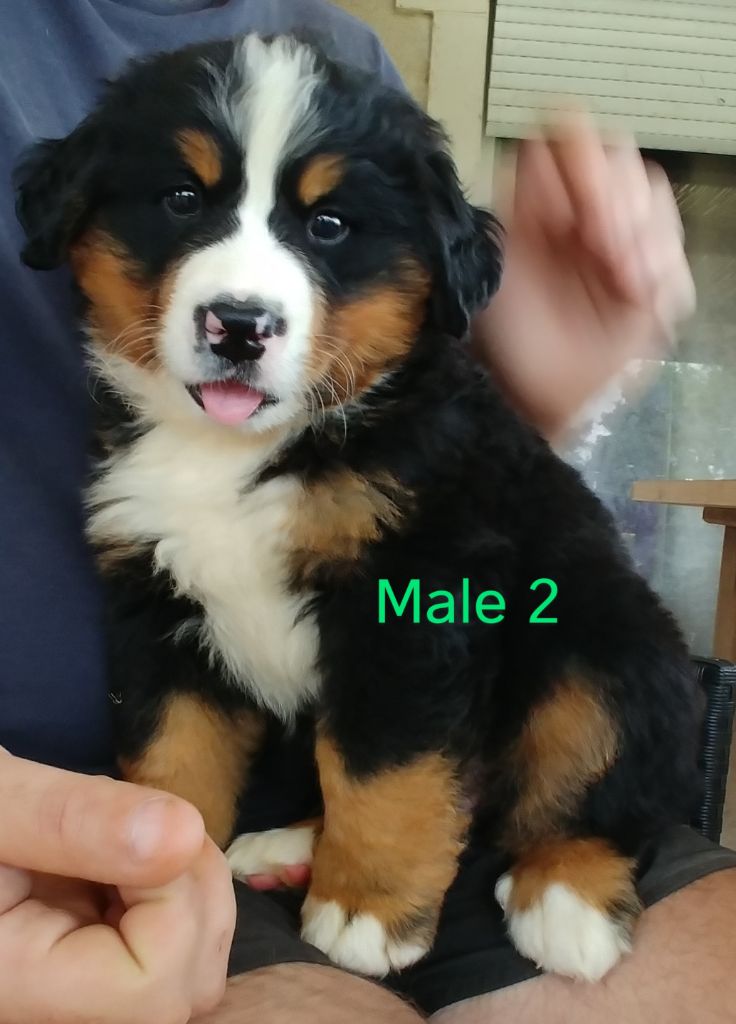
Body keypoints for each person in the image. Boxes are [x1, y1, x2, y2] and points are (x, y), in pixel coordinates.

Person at [0, 2, 733, 1023]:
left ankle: (579, 849)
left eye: (328, 226)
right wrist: (161, 848)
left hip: (510, 679)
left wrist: (539, 371)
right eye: (183, 199)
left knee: (557, 656)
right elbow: (173, 666)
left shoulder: (343, 49)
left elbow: (429, 628)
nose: (243, 289)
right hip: (57, 813)